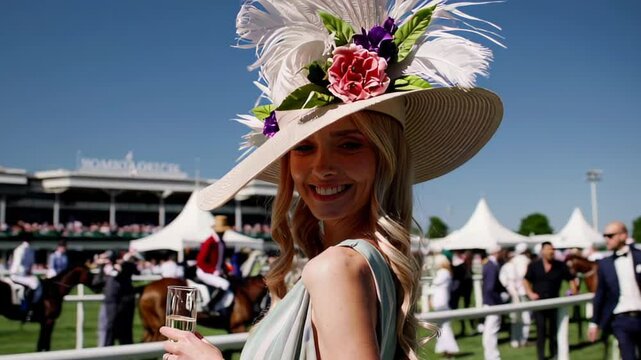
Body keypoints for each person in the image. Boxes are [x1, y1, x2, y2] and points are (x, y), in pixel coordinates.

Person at [159, 0, 504, 359]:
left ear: (384, 159)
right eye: (304, 148)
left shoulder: (335, 269)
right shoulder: (367, 263)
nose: (322, 167)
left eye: (350, 144)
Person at [588, 221, 641, 360]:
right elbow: (600, 295)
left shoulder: (639, 256)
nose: (606, 239)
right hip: (620, 319)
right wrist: (594, 323)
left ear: (623, 236)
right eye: (605, 236)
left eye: (610, 235)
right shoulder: (605, 265)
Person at [524, 241, 578, 360]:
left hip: (554, 302)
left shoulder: (560, 265)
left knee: (553, 330)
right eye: (548, 249)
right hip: (539, 303)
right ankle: (541, 356)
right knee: (541, 330)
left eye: (552, 249)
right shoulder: (534, 266)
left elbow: (571, 278)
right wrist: (530, 293)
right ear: (542, 251)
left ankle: (554, 354)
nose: (551, 251)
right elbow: (526, 280)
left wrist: (573, 290)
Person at [499, 242, 531, 348]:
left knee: (516, 319)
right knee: (524, 318)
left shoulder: (511, 263)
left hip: (515, 293)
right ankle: (522, 339)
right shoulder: (525, 261)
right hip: (522, 293)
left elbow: (504, 279)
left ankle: (516, 340)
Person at [430, 254, 460, 357]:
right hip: (441, 301)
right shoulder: (445, 272)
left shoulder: (443, 272)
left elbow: (434, 282)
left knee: (444, 327)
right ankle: (445, 349)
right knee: (442, 326)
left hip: (441, 302)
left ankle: (449, 349)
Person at [482, 245, 507, 360]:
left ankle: (491, 355)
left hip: (491, 301)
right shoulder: (492, 266)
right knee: (491, 331)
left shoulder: (491, 265)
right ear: (497, 252)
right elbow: (490, 288)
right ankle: (492, 356)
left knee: (490, 330)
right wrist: (500, 300)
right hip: (493, 302)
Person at [9, 233, 40, 319]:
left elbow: (30, 265)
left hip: (24, 275)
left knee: (36, 283)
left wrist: (29, 272)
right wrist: (26, 273)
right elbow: (17, 265)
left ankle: (32, 308)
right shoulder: (21, 249)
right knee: (34, 284)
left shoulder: (29, 249)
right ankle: (26, 309)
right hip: (17, 275)